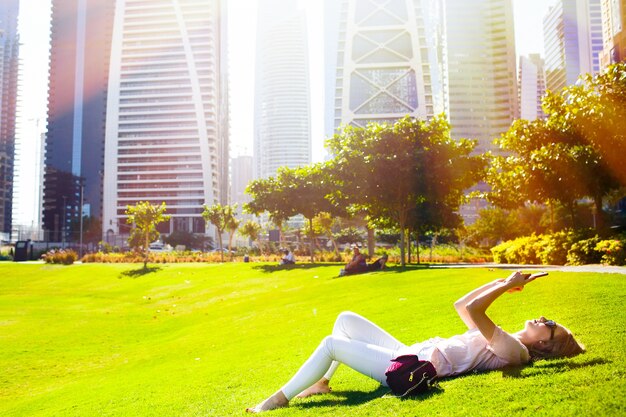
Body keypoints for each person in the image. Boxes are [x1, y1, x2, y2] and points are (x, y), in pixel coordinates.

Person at [246, 271, 585, 413]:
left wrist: (505, 283)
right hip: (408, 351)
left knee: (331, 343)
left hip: (408, 369)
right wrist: (502, 281)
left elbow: (475, 309)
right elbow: (462, 305)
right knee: (345, 319)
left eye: (550, 326)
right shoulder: (508, 339)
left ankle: (278, 399)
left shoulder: (517, 352)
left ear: (547, 345)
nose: (544, 319)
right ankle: (320, 382)